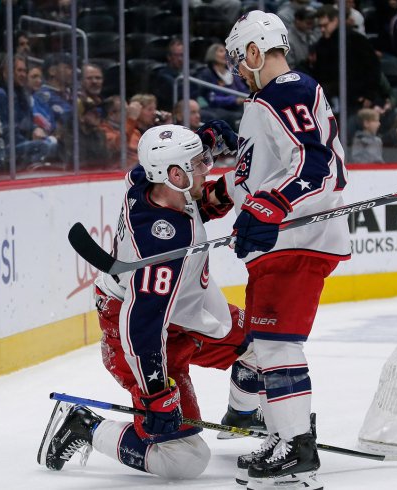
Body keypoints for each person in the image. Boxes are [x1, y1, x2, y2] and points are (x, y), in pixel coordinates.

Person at [38, 124, 263, 478]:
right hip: (141, 334)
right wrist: (155, 394)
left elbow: (185, 197)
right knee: (184, 460)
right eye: (199, 163)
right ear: (174, 175)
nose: (207, 167)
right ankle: (85, 426)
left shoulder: (146, 181)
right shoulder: (161, 251)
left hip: (183, 312)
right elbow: (141, 328)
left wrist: (206, 141)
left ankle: (244, 415)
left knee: (266, 346)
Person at [202, 10, 352, 489]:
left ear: (252, 51)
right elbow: (258, 173)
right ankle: (286, 436)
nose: (237, 71)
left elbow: (316, 162)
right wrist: (219, 196)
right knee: (268, 343)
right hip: (283, 238)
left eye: (238, 60)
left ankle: (296, 447)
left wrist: (271, 206)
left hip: (297, 235)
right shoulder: (268, 100)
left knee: (275, 343)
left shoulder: (286, 88)